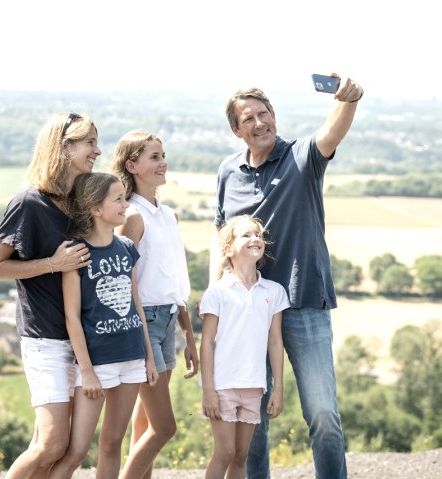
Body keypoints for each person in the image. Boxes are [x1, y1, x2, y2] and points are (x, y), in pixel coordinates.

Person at [212, 77, 364, 479]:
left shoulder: (301, 157)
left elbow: (332, 132)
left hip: (303, 302)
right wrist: (216, 290)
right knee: (253, 419)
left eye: (264, 114)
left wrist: (347, 100)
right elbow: (221, 236)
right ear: (236, 129)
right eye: (249, 118)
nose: (259, 123)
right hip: (248, 311)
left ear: (274, 116)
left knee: (323, 414)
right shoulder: (228, 172)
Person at [0, 112, 100, 479]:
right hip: (44, 339)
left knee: (58, 451)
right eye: (90, 143)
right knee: (50, 445)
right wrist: (52, 263)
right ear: (63, 147)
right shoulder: (28, 203)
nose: (98, 150)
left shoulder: (79, 203)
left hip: (81, 339)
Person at [47, 172, 159, 478]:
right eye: (118, 199)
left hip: (132, 359)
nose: (126, 204)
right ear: (96, 209)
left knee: (112, 444)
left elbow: (136, 305)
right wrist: (86, 371)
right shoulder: (77, 253)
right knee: (77, 451)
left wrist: (147, 357)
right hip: (97, 365)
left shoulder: (125, 247)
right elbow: (72, 316)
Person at [110, 130, 200, 479]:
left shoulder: (169, 215)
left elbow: (176, 282)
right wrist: (144, 346)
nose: (163, 163)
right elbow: (125, 282)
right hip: (143, 323)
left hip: (168, 321)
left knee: (145, 424)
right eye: (154, 157)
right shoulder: (131, 217)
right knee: (165, 428)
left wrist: (189, 336)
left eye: (163, 155)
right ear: (132, 165)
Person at [200, 214, 289, 479]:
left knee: (241, 457)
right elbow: (206, 342)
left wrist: (278, 389)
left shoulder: (274, 292)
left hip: (255, 386)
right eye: (246, 235)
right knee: (224, 453)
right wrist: (208, 390)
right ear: (227, 249)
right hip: (222, 385)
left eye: (258, 235)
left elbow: (275, 341)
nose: (255, 239)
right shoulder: (217, 292)